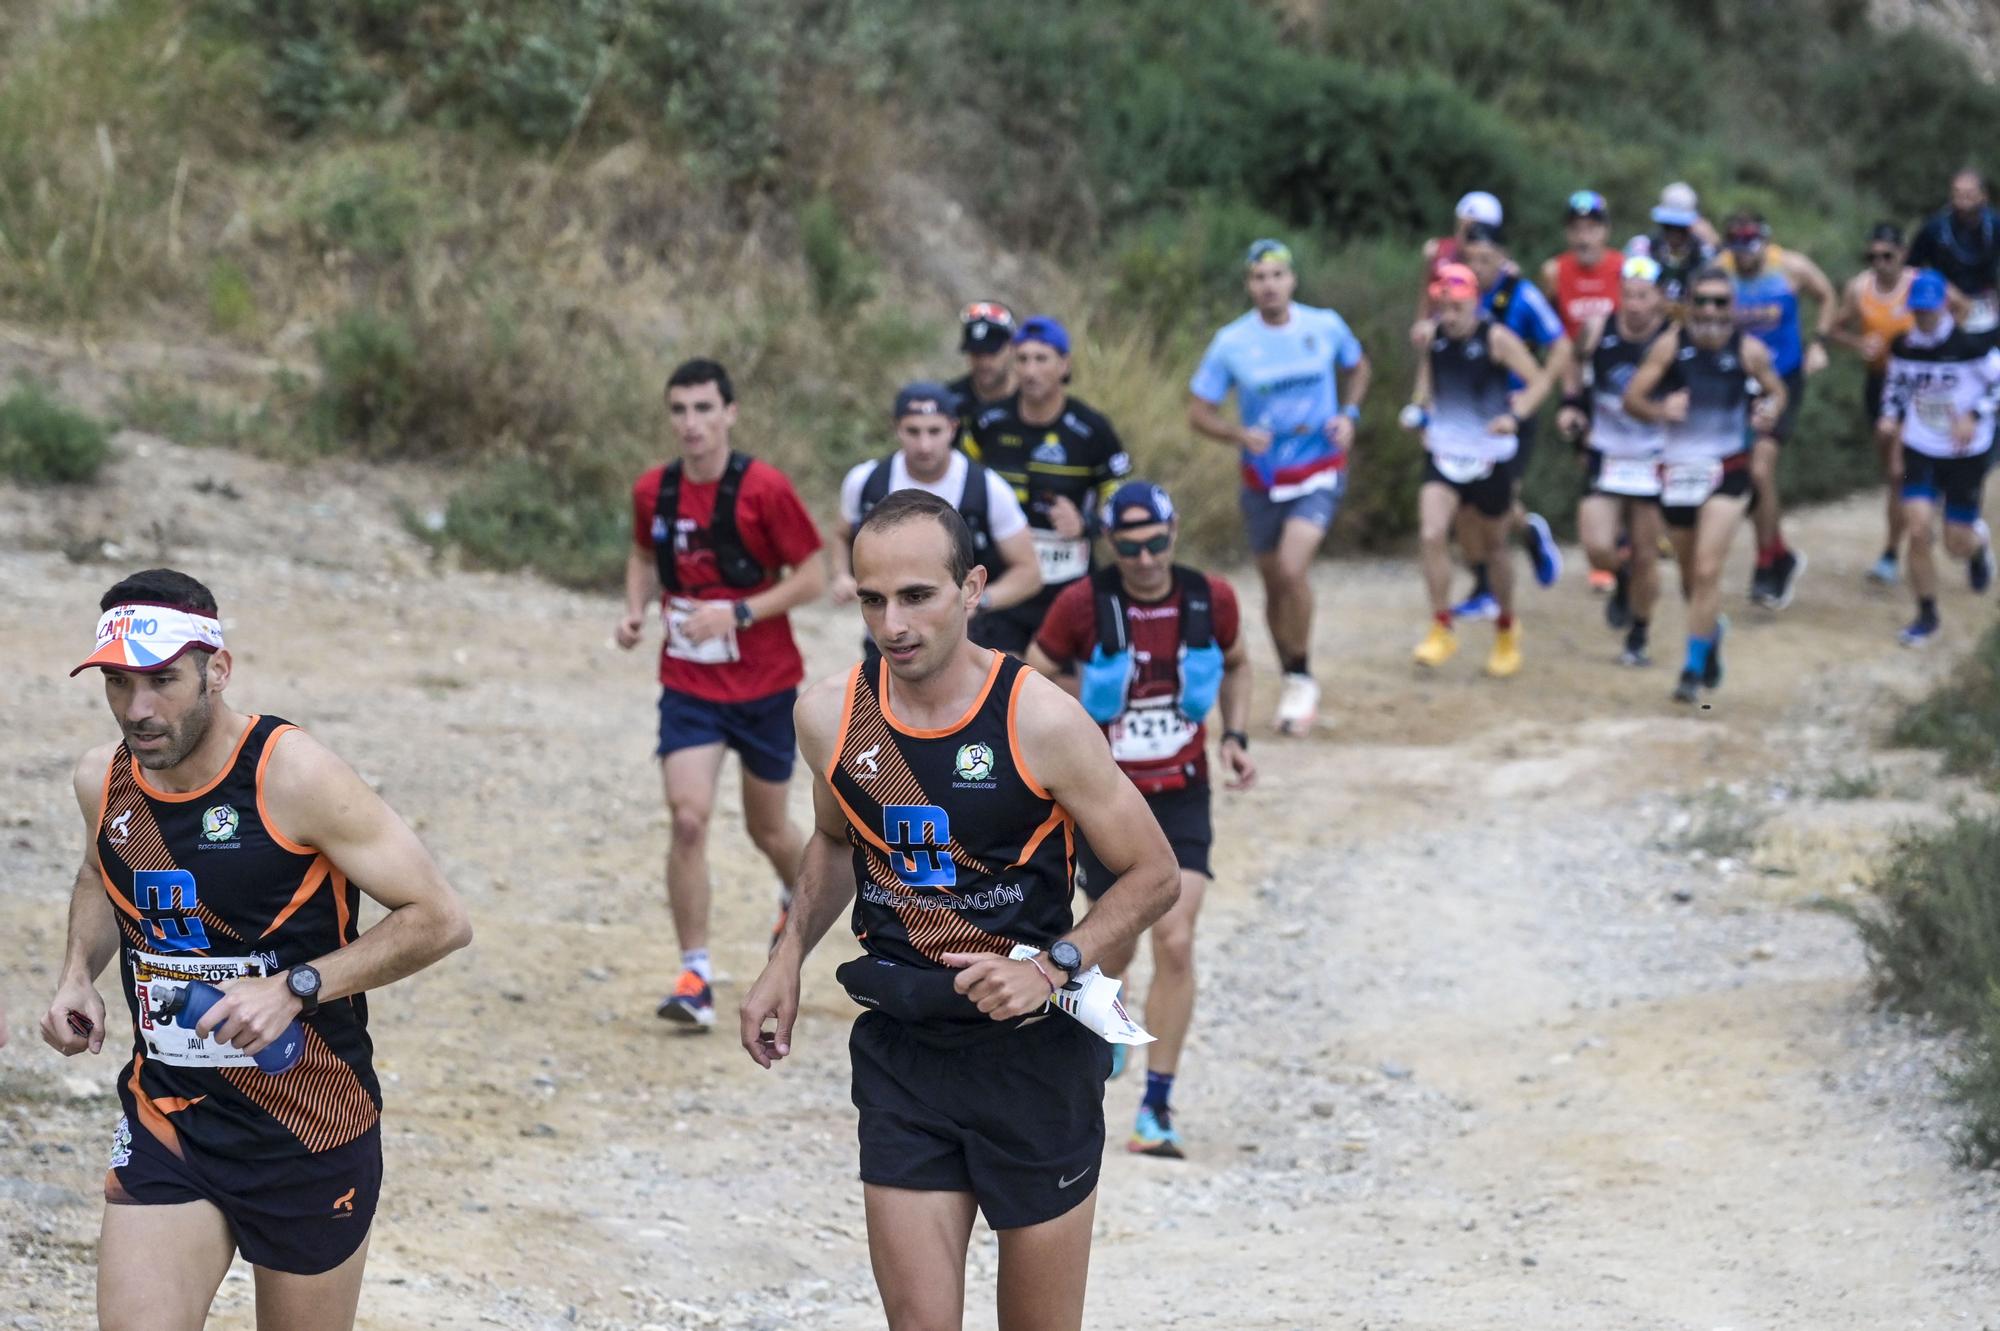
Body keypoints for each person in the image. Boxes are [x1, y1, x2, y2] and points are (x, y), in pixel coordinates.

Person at [738, 490, 1179, 1331]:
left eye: (916, 596)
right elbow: (836, 842)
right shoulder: (829, 715)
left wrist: (1050, 968)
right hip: (907, 1052)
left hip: (1035, 1058)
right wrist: (785, 957)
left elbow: (1152, 873)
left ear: (972, 589)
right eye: (872, 599)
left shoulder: (1041, 719)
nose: (893, 623)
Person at [40, 568, 472, 1330]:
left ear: (218, 669)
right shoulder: (104, 782)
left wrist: (295, 987)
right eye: (118, 683)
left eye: (163, 681)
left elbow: (438, 917)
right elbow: (98, 871)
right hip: (172, 1115)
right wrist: (79, 973)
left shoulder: (293, 775)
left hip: (307, 1127)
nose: (138, 709)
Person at [1025, 482, 1256, 1159]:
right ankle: (1110, 1010)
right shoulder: (1081, 605)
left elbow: (1239, 662)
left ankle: (1156, 1106)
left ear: (1174, 531)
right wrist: (1091, 694)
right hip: (1107, 800)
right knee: (1110, 938)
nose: (1147, 557)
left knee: (1176, 938)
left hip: (1182, 793)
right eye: (1130, 545)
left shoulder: (1210, 598)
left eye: (1157, 541)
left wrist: (1236, 733)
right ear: (1111, 543)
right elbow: (1032, 677)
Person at [616, 358, 827, 1027]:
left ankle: (797, 900)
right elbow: (645, 556)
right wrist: (633, 609)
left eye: (704, 408)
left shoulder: (764, 488)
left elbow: (816, 574)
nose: (692, 423)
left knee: (770, 827)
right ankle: (694, 974)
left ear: (730, 413)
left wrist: (738, 613)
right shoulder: (655, 490)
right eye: (679, 410)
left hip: (764, 685)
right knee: (687, 817)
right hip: (689, 684)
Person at [1187, 238, 1372, 736]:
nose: (1268, 286)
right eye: (1258, 278)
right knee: (1273, 583)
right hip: (1264, 478)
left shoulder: (1325, 325)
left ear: (1292, 280)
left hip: (1319, 467)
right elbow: (1198, 411)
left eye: (1277, 276)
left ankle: (1304, 673)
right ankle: (1293, 674)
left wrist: (1349, 416)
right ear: (1249, 285)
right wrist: (1237, 434)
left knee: (1292, 569)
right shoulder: (1231, 342)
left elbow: (1359, 366)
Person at [1623, 266, 1789, 704]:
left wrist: (1769, 412)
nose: (1711, 311)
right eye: (1703, 302)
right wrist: (1661, 410)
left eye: (1720, 302)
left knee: (1708, 568)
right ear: (1689, 307)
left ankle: (1692, 671)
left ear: (1732, 308)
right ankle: (1710, 636)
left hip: (1728, 469)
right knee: (1690, 577)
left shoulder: (1749, 350)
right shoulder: (1669, 346)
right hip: (1677, 473)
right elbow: (1632, 399)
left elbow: (1777, 391)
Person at [1404, 263, 1558, 677]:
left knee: (1492, 548)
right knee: (1432, 532)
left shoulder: (1497, 338)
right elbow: (1427, 379)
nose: (1449, 316)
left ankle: (1506, 629)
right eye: (1443, 307)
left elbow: (1540, 379)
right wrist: (1421, 408)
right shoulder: (1433, 337)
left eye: (1457, 307)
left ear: (1474, 302)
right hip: (1444, 452)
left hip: (1490, 455)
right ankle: (1441, 625)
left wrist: (1518, 412)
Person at [963, 317, 1133, 655]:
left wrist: (1088, 524)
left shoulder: (1092, 429)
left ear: (1064, 364)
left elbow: (1119, 500)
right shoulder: (987, 423)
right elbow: (962, 481)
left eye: (1041, 359)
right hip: (1002, 579)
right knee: (994, 686)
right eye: (1022, 359)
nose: (1030, 370)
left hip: (1066, 584)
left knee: (1063, 691)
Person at [834, 381, 1042, 625]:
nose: (924, 445)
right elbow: (841, 534)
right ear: (896, 427)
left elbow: (1030, 572)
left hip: (965, 636)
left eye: (934, 431)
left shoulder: (988, 488)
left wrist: (980, 599)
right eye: (913, 431)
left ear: (953, 428)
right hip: (886, 633)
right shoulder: (865, 481)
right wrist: (841, 575)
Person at [1557, 255, 1672, 666]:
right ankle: (1622, 582)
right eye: (1628, 295)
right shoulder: (1598, 328)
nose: (1635, 304)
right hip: (1605, 451)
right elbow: (1572, 360)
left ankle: (1639, 634)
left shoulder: (1671, 340)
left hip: (1653, 456)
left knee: (1645, 552)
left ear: (1659, 297)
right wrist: (1571, 404)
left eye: (1643, 296)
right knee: (1596, 545)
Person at [1876, 269, 1999, 646]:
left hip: (1965, 452)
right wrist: (1890, 415)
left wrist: (1974, 415)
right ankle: (1927, 614)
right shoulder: (1903, 346)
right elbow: (1897, 385)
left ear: (1944, 306)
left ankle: (1976, 547)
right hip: (1921, 446)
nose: (1924, 317)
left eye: (1930, 310)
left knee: (1954, 544)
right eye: (1918, 310)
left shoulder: (1972, 346)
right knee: (1917, 530)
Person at [1721, 212, 1836, 609]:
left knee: (1759, 469)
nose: (1743, 257)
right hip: (1736, 382)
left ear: (1765, 244)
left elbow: (1827, 296)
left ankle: (1766, 562)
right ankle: (1781, 553)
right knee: (1742, 475)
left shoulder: (1791, 267)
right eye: (1736, 248)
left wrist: (1819, 343)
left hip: (1782, 378)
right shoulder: (1718, 272)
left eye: (1750, 248)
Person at [1456, 222, 1568, 614]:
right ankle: (1522, 541)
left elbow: (1560, 344)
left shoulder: (1522, 296)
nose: (1479, 267)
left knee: (1495, 504)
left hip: (1511, 416)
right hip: (1468, 415)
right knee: (1464, 504)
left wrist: (1538, 388)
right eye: (1471, 259)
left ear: (1502, 257)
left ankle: (1492, 586)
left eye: (1486, 259)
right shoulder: (1457, 296)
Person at [1831, 223, 1917, 583]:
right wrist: (1857, 344)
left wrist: (1945, 350)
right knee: (1894, 472)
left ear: (1902, 254)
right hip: (1880, 383)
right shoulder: (1858, 288)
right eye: (1873, 256)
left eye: (1888, 255)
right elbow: (1834, 328)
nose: (1880, 263)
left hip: (1922, 385)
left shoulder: (1920, 284)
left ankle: (1897, 548)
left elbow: (1958, 310)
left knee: (1902, 470)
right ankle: (1895, 548)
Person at [1908, 170, 2000, 337]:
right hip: (1945, 305)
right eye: (1957, 192)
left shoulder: (1995, 225)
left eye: (1969, 193)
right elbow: (1911, 267)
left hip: (1986, 304)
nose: (1963, 198)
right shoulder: (1934, 228)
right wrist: (1939, 290)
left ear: (1983, 196)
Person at [1415, 190, 1505, 329]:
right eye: (1460, 226)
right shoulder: (1439, 251)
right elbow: (1427, 294)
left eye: (1470, 229)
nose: (1462, 234)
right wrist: (1421, 321)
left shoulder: (1501, 266)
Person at [1542, 190, 1622, 340]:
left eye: (1591, 228)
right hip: (1571, 357)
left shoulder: (1623, 268)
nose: (1583, 239)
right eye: (1575, 229)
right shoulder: (1553, 271)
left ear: (1606, 230)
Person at [1630, 181, 1719, 312]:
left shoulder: (1704, 252)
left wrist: (1717, 245)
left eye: (1681, 228)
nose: (1674, 234)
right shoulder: (1643, 247)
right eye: (1668, 227)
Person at [947, 301, 1018, 434]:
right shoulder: (950, 401)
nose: (984, 363)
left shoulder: (1030, 399)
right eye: (976, 353)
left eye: (992, 353)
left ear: (1011, 348)